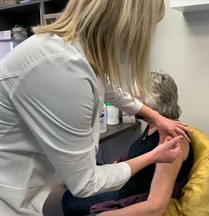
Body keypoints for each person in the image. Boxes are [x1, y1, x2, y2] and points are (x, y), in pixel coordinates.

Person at [0, 1, 191, 215]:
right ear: (128, 25)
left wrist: (153, 116)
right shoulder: (62, 66)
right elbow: (85, 183)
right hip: (9, 189)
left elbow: (109, 88)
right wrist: (154, 155)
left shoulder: (69, 50)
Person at [61, 70, 194, 216]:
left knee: (75, 203)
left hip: (131, 200)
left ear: (153, 103)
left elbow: (156, 207)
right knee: (70, 198)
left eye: (137, 99)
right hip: (123, 186)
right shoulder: (154, 125)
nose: (132, 104)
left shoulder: (171, 140)